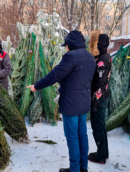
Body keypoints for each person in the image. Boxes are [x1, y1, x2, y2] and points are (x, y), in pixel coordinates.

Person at [27, 30, 96, 172]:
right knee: (82, 134)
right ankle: (83, 167)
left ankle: (74, 169)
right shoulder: (90, 56)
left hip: (71, 103)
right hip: (84, 102)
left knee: (72, 137)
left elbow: (54, 75)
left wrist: (36, 86)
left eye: (67, 45)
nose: (66, 48)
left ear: (71, 44)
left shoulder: (71, 57)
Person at [88, 33, 112, 164]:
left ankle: (100, 156)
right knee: (101, 126)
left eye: (98, 43)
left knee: (97, 127)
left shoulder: (102, 60)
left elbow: (101, 83)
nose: (96, 45)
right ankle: (103, 152)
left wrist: (95, 102)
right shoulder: (105, 57)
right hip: (103, 96)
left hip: (99, 98)